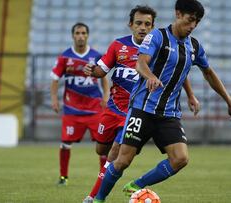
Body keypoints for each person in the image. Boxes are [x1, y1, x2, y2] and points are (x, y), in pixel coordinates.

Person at [92, 0, 231, 202]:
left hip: (169, 113)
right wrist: (150, 76)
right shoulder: (157, 36)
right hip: (142, 109)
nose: (192, 27)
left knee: (180, 159)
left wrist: (229, 102)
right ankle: (99, 199)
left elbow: (208, 72)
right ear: (178, 14)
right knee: (122, 160)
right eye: (190, 21)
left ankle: (138, 185)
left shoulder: (194, 46)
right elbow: (140, 63)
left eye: (196, 23)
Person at [82, 5, 200, 203]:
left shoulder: (161, 44)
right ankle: (103, 184)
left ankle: (94, 197)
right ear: (131, 25)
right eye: (139, 23)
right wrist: (91, 70)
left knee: (116, 153)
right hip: (113, 109)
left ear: (153, 27)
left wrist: (190, 94)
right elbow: (101, 71)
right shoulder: (118, 46)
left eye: (147, 24)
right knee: (102, 151)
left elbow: (180, 71)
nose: (143, 28)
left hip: (138, 108)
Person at [50, 22, 109, 186]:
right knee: (65, 143)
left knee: (103, 145)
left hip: (95, 109)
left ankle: (103, 179)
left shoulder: (96, 56)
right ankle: (63, 178)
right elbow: (55, 79)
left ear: (87, 35)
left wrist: (106, 95)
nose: (81, 36)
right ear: (73, 35)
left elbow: (104, 77)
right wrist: (54, 99)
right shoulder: (65, 57)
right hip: (72, 110)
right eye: (77, 33)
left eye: (83, 33)